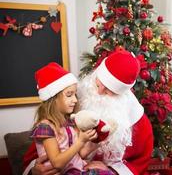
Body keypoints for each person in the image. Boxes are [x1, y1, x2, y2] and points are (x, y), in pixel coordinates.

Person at [23, 50, 154, 175]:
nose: (100, 91)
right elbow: (41, 148)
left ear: (121, 93)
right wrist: (35, 170)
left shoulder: (137, 120)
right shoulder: (73, 101)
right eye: (98, 84)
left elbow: (140, 163)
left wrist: (113, 170)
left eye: (109, 90)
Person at [25, 62, 114, 175]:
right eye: (69, 95)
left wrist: (97, 140)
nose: (75, 100)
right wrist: (81, 141)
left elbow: (80, 154)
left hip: (77, 170)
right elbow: (57, 163)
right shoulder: (45, 127)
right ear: (53, 99)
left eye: (75, 94)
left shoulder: (69, 122)